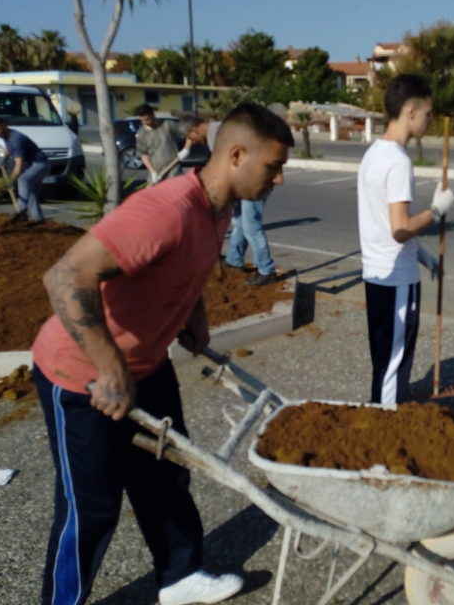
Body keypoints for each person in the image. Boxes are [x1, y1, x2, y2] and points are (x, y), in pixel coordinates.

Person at [30, 102, 294, 605]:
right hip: (82, 375)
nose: (279, 179)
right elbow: (65, 276)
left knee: (166, 476)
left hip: (146, 368)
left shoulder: (218, 208)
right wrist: (109, 365)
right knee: (91, 505)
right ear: (237, 155)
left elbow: (181, 265)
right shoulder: (166, 210)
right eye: (274, 166)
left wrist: (194, 313)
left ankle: (179, 577)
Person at [357, 74, 454, 404]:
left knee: (384, 358)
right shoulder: (398, 161)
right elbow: (400, 229)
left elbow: (383, 223)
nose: (430, 120)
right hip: (397, 280)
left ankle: (383, 411)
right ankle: (385, 423)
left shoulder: (374, 153)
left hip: (377, 274)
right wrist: (436, 211)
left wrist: (421, 254)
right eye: (428, 113)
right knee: (393, 364)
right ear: (411, 111)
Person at [0, 115, 50, 223]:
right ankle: (38, 218)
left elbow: (18, 164)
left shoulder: (16, 139)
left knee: (23, 179)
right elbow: (9, 149)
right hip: (33, 164)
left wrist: (10, 181)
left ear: (4, 125)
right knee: (30, 191)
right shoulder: (6, 136)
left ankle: (20, 209)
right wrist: (3, 158)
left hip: (41, 164)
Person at [134, 103, 194, 183]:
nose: (145, 122)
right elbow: (143, 155)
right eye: (142, 120)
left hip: (174, 169)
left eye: (147, 119)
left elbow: (190, 132)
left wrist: (186, 149)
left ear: (153, 115)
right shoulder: (141, 134)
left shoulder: (167, 125)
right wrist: (152, 172)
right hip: (157, 173)